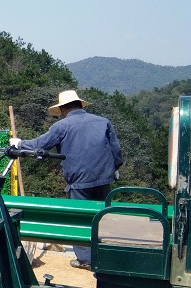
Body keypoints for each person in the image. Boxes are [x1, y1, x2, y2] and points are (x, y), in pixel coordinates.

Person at [10, 89, 123, 269]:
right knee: (101, 216)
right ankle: (103, 255)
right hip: (104, 178)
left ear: (63, 109)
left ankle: (86, 260)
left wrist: (20, 144)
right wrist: (115, 168)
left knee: (80, 220)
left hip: (79, 181)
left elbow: (40, 144)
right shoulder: (103, 122)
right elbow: (115, 149)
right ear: (80, 104)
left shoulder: (62, 126)